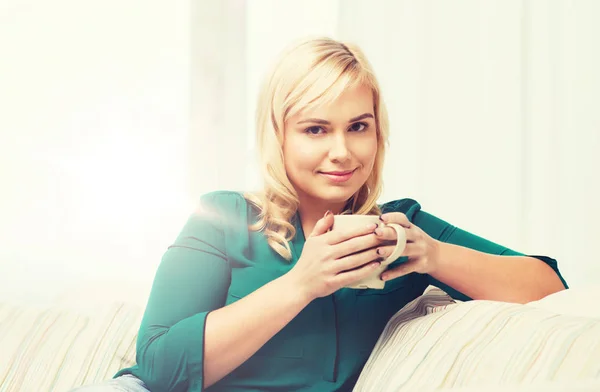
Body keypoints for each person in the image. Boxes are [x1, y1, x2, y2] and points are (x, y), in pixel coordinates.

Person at [72, 37, 568, 392]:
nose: (343, 152)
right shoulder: (223, 217)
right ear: (279, 136)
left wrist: (432, 255)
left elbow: (549, 287)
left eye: (358, 126)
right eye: (315, 129)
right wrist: (302, 282)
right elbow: (158, 368)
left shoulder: (400, 228)